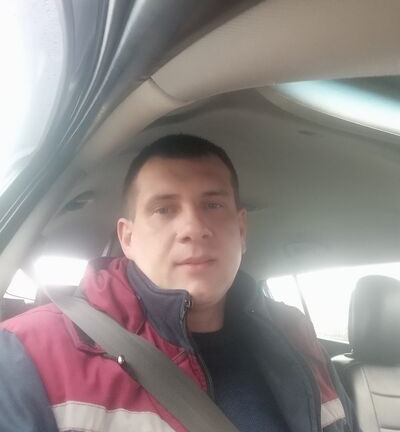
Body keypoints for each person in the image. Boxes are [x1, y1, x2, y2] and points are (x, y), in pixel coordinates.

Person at [0, 134, 360, 432]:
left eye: (213, 205)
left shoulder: (296, 336)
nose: (193, 228)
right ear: (128, 239)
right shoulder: (25, 354)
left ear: (241, 230)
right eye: (164, 209)